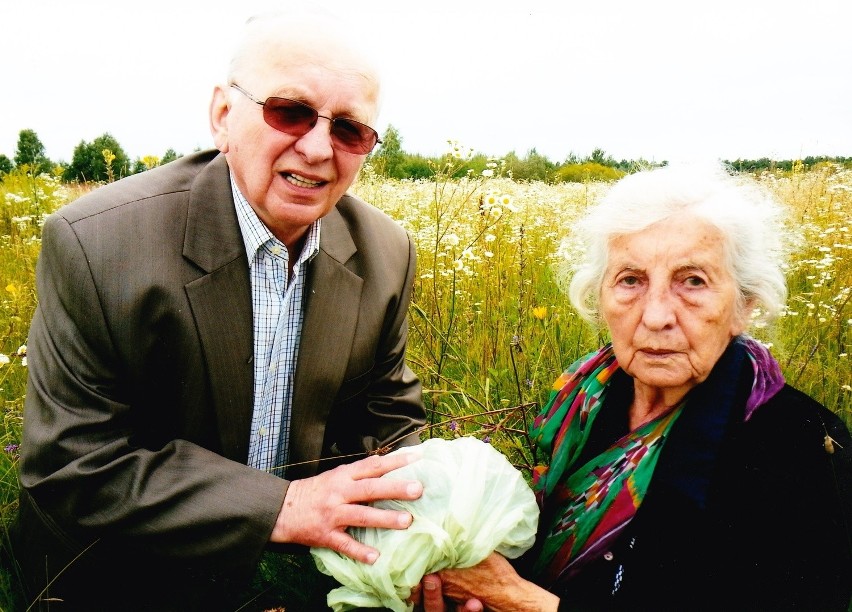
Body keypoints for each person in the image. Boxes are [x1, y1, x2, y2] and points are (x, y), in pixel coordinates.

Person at [11, 8, 427, 611]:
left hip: (298, 574)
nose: (316, 149)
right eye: (291, 112)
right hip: (118, 576)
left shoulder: (388, 253)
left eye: (350, 130)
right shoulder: (95, 243)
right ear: (223, 116)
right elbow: (73, 462)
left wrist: (430, 527)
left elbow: (389, 417)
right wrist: (281, 508)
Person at [416, 163, 852, 611]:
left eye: (693, 281)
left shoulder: (798, 446)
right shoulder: (582, 401)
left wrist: (512, 598)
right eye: (631, 280)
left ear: (743, 306)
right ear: (599, 296)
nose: (656, 315)